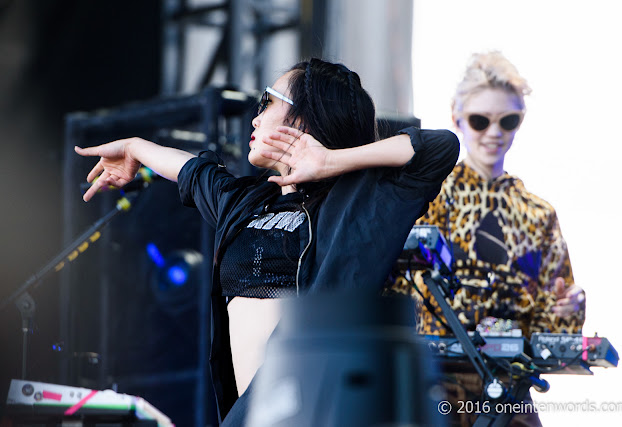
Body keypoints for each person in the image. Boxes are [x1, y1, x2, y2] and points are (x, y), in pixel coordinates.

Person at [75, 58, 460, 425]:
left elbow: (439, 147)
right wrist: (134, 148)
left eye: (268, 101)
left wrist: (328, 162)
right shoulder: (244, 202)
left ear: (310, 116)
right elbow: (192, 170)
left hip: (317, 402)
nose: (255, 117)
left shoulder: (359, 204)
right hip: (253, 409)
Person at [385, 51, 586, 426]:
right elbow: (388, 289)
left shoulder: (538, 215)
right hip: (430, 384)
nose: (494, 133)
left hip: (508, 391)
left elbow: (552, 335)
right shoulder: (428, 196)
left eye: (508, 121)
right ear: (456, 117)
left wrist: (567, 308)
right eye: (480, 120)